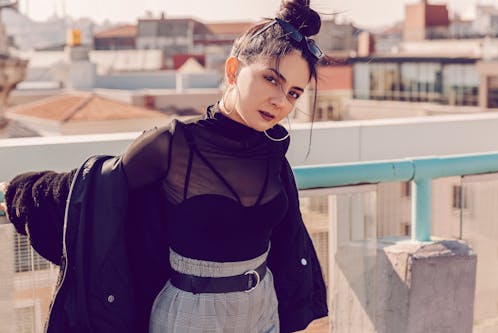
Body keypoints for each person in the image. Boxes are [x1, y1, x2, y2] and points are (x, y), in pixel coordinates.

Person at [0, 0, 328, 332]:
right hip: (188, 315)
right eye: (271, 79)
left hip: (262, 309)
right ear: (233, 71)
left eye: (293, 93)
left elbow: (289, 243)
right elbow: (96, 189)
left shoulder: (272, 153)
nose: (280, 101)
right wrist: (24, 190)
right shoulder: (172, 144)